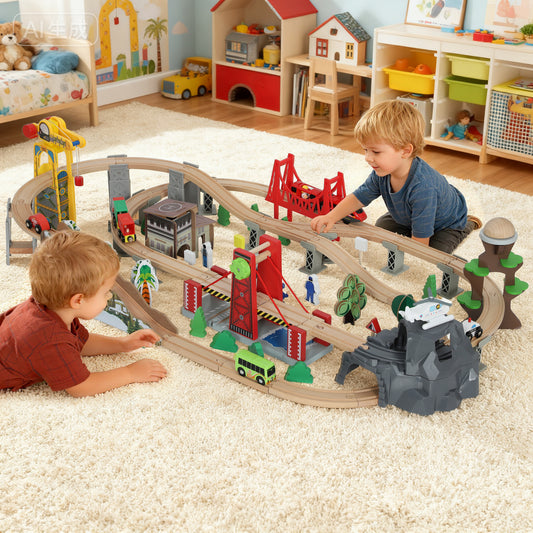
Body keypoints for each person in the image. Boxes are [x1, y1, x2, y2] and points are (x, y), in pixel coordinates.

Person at [0, 231, 167, 396]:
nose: (109, 297)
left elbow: (78, 342)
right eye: (106, 292)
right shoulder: (50, 339)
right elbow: (81, 386)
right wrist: (131, 373)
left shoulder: (52, 309)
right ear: (78, 300)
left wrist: (122, 344)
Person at [310, 100, 481, 253]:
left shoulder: (423, 187)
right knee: (381, 228)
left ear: (405, 151)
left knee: (434, 254)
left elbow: (419, 245)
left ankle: (468, 223)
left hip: (446, 223)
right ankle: (411, 225)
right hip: (411, 216)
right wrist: (330, 217)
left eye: (376, 151)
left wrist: (414, 254)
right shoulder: (382, 172)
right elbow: (358, 197)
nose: (368, 158)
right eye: (366, 150)